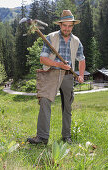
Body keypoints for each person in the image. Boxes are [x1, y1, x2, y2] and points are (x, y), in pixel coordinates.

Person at [27, 10, 86, 145]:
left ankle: (66, 137)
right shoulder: (51, 37)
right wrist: (58, 64)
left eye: (70, 26)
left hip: (67, 76)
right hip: (51, 74)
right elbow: (43, 59)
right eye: (64, 25)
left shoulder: (76, 41)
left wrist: (81, 75)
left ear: (73, 26)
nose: (67, 28)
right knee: (45, 102)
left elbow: (81, 60)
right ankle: (42, 138)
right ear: (60, 25)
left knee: (67, 107)